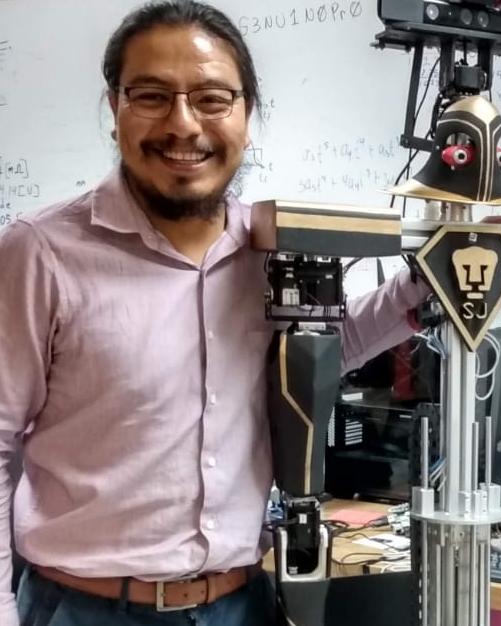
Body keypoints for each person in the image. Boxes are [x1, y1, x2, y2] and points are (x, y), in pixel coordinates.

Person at [0, 2, 431, 625]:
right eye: (151, 96)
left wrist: (430, 278)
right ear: (114, 109)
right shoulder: (39, 253)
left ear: (246, 115)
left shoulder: (270, 250)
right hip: (85, 608)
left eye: (211, 98)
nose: (182, 125)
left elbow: (323, 350)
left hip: (241, 604)